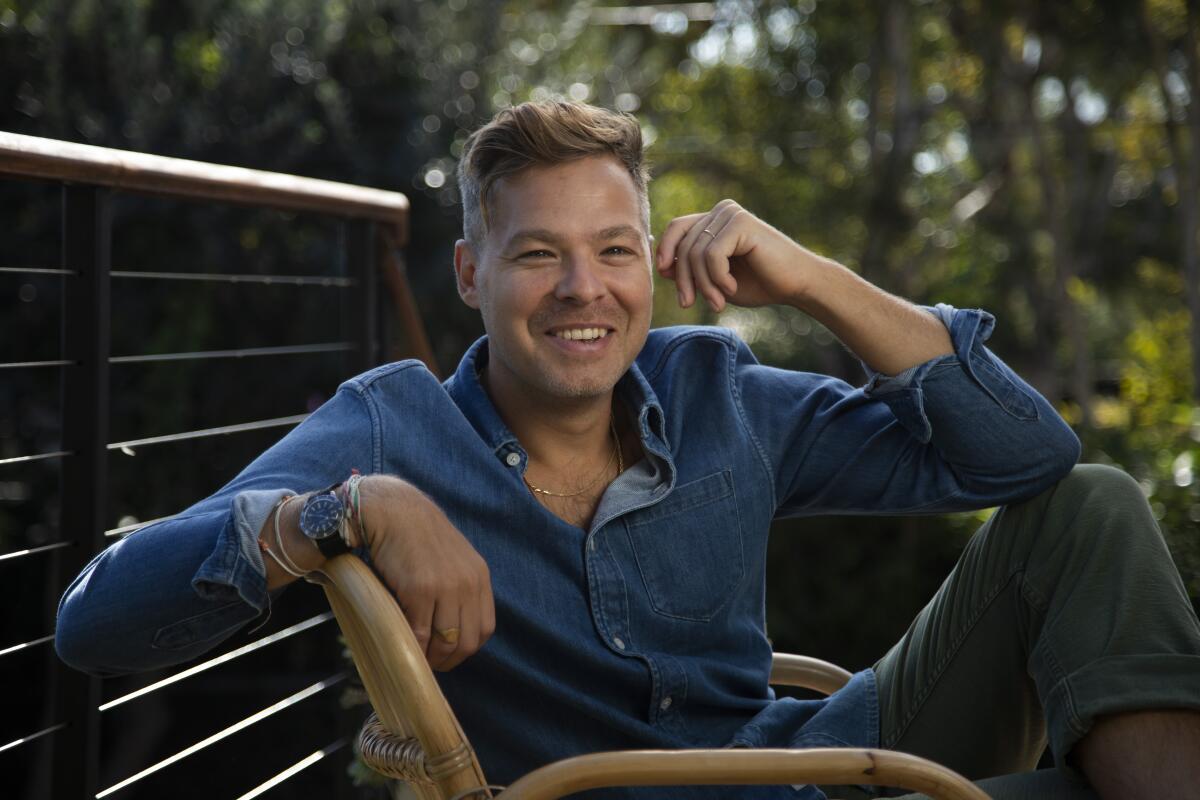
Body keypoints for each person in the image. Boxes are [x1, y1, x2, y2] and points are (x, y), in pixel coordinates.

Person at [57, 101, 1200, 800]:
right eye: (537, 254)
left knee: (1092, 503)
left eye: (613, 249)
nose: (582, 290)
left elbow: (1021, 457)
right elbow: (93, 619)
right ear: (470, 276)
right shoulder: (391, 427)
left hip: (823, 756)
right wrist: (341, 507)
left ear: (650, 261)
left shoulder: (717, 389)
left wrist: (811, 279)